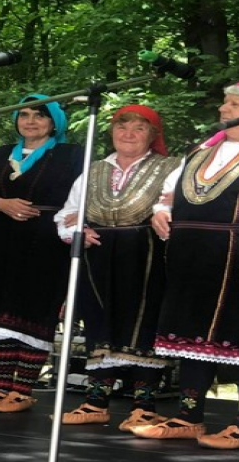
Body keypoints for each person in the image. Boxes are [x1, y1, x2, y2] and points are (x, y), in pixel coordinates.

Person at [137, 80, 239, 449]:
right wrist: (161, 210)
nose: (222, 109)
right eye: (225, 102)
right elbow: (169, 193)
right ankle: (189, 417)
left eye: (233, 104)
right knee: (191, 334)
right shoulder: (201, 150)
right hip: (191, 255)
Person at [54, 105, 180, 430]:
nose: (128, 134)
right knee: (100, 323)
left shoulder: (170, 167)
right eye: (122, 127)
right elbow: (67, 213)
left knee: (143, 324)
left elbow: (174, 207)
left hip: (147, 255)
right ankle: (96, 401)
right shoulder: (94, 170)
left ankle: (144, 406)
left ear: (153, 135)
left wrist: (161, 213)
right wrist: (78, 230)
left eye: (139, 128)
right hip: (98, 255)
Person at [0, 94, 83, 413]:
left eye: (39, 115)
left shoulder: (71, 154)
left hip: (44, 241)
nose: (30, 121)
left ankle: (23, 390)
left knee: (34, 309)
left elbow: (85, 192)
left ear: (55, 122)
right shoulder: (2, 154)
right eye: (24, 115)